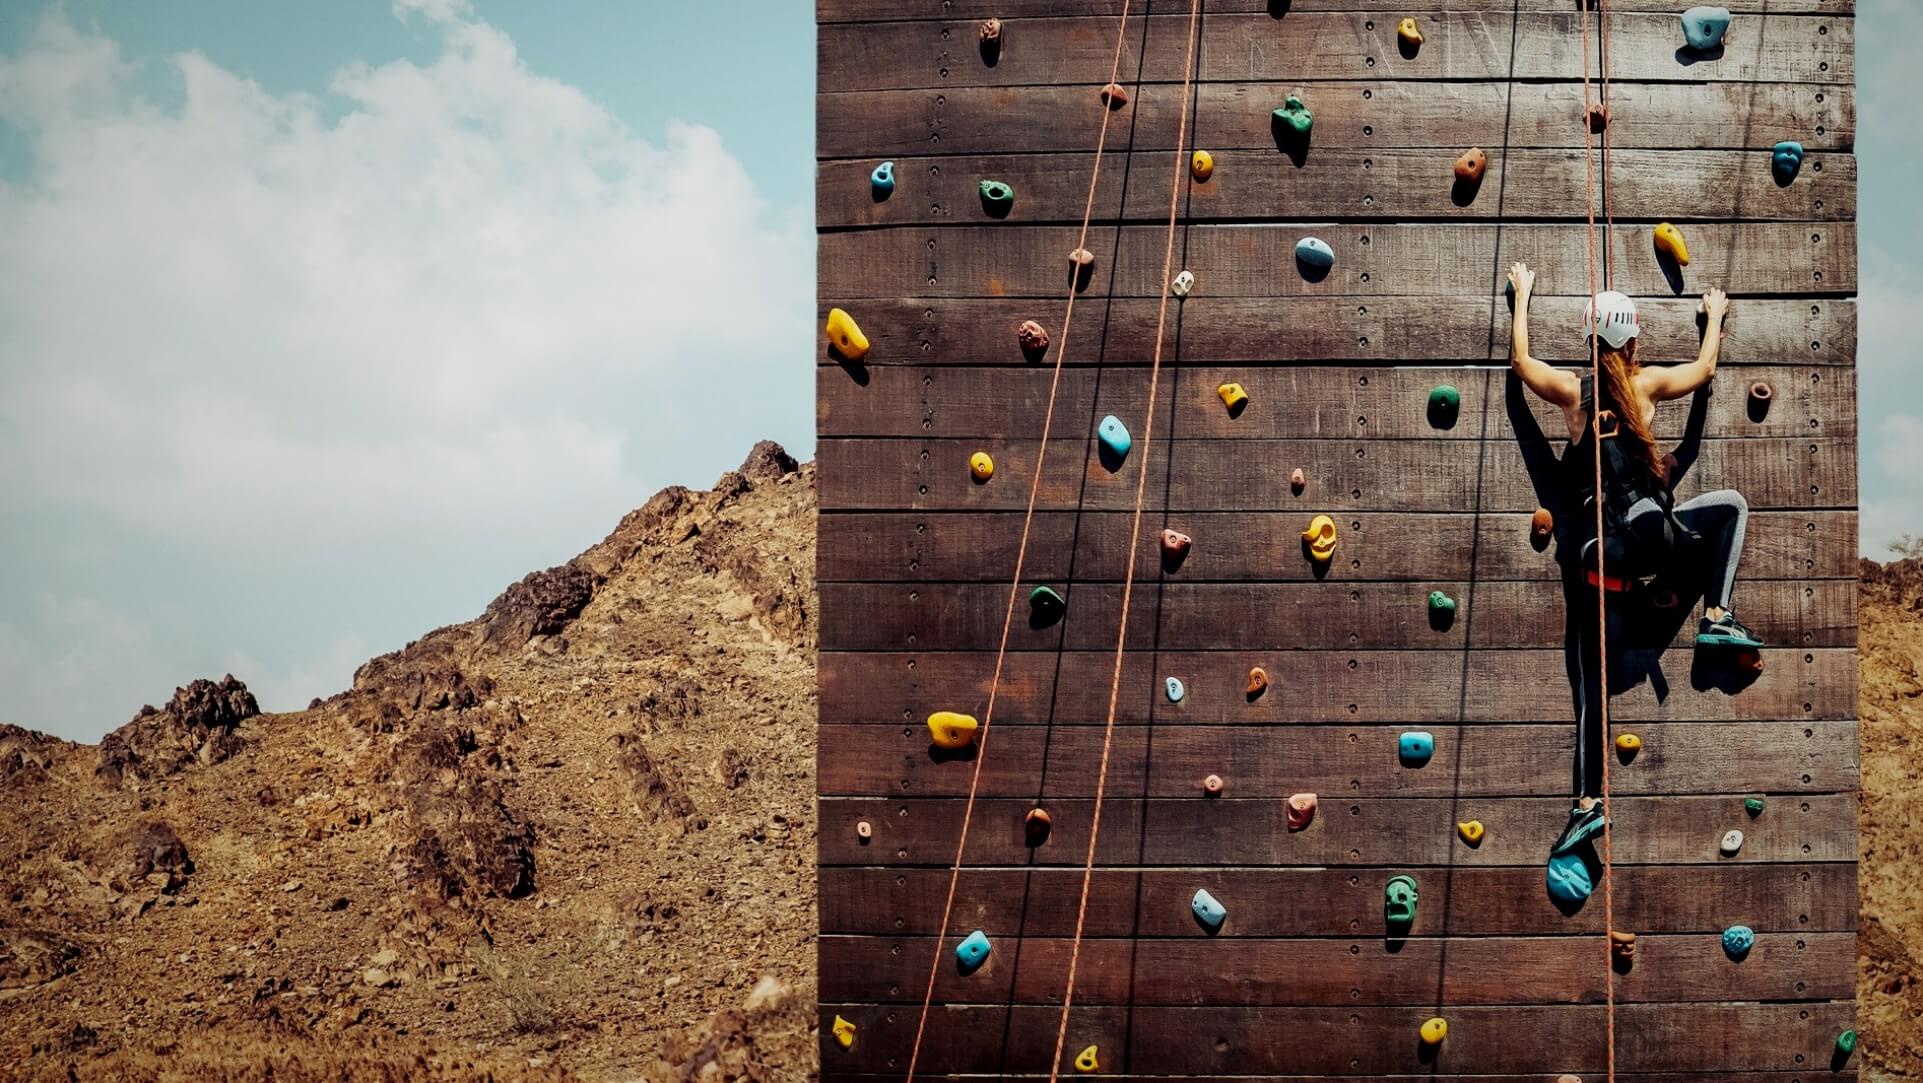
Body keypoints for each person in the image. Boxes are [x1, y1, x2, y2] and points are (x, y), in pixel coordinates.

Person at [1506, 261, 1759, 858]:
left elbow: (1520, 367)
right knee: (1730, 508)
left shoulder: (1573, 392)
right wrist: (1715, 320)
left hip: (1601, 560)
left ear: (1591, 341)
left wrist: (1523, 296)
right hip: (1656, 542)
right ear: (1634, 341)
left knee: (1590, 685)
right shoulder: (1644, 387)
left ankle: (1588, 805)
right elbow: (1702, 373)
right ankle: (1718, 615)